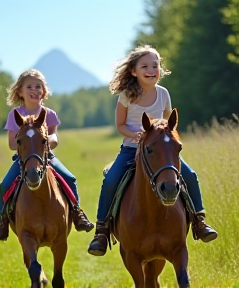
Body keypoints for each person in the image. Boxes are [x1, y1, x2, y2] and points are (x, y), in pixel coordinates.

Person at [88, 45, 218, 256]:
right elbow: (120, 125)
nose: (151, 70)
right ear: (134, 71)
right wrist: (137, 135)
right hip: (131, 150)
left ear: (160, 69)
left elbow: (169, 124)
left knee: (190, 175)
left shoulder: (163, 94)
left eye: (155, 65)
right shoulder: (126, 95)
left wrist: (165, 140)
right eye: (145, 66)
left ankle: (199, 222)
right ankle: (101, 231)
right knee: (111, 179)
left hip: (160, 152)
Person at [0, 69, 94, 241]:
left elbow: (55, 137)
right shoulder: (15, 115)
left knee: (70, 178)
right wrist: (25, 141)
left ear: (44, 91)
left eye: (38, 86)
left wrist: (46, 140)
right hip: (23, 160)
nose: (34, 90)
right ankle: (2, 220)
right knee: (5, 184)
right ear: (20, 91)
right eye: (29, 86)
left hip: (47, 158)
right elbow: (11, 144)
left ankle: (77, 213)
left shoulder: (50, 114)